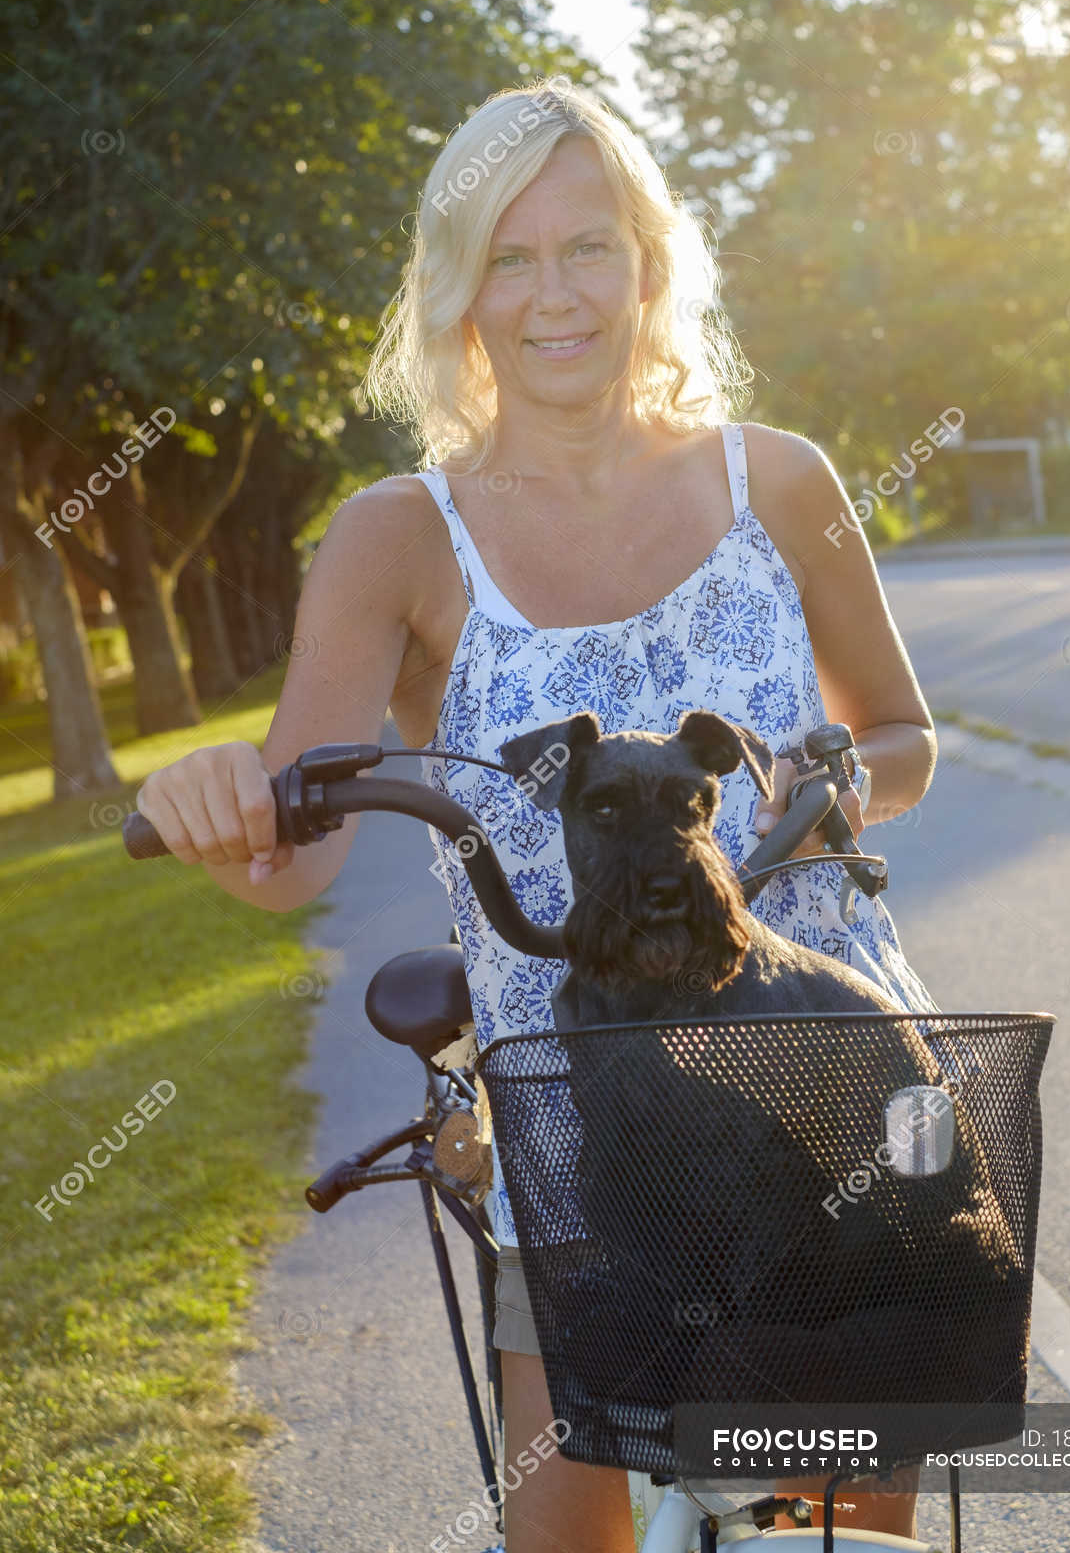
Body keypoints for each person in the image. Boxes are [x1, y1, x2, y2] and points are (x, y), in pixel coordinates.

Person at [136, 78, 941, 1550]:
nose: (555, 293)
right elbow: (287, 854)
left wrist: (840, 787)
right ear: (457, 290)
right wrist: (211, 803)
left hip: (820, 1072)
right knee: (565, 1525)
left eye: (589, 246)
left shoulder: (786, 482)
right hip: (583, 1118)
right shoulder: (398, 534)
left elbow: (904, 734)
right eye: (510, 256)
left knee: (835, 1532)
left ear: (649, 261)